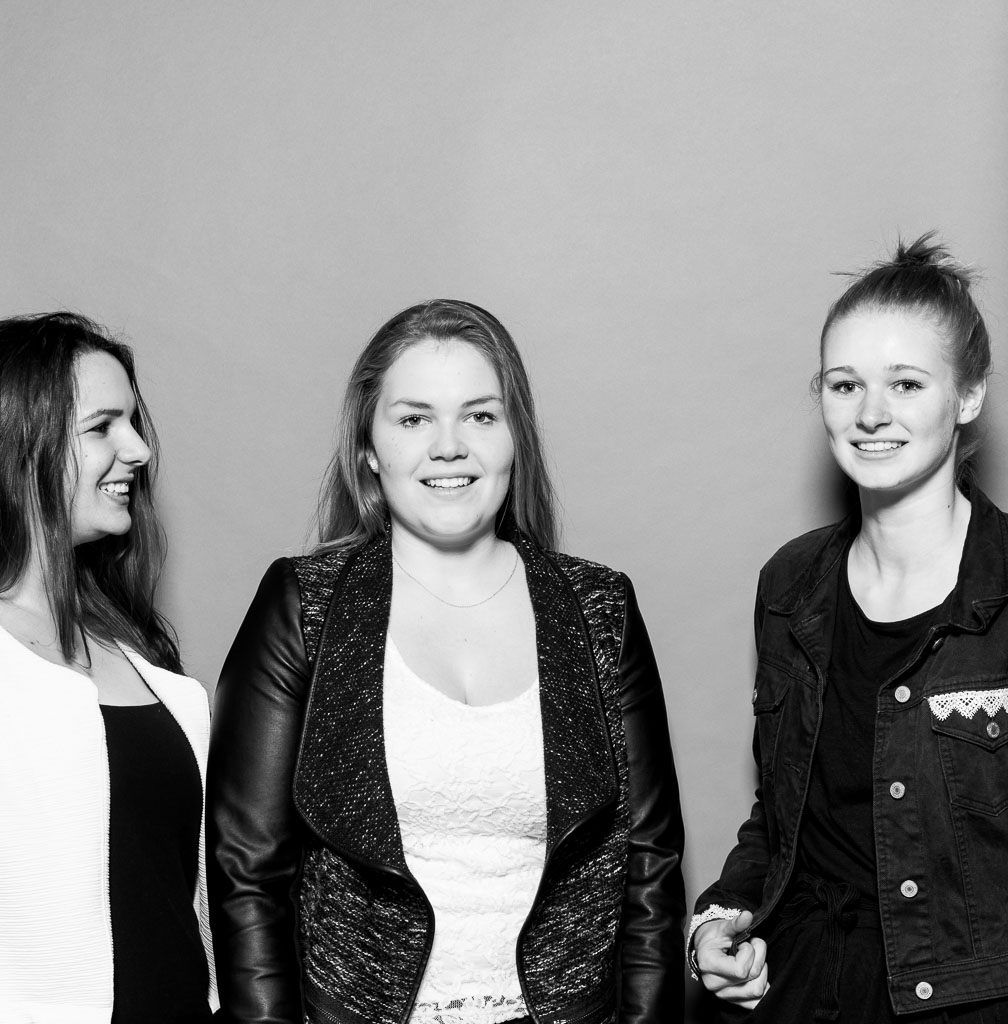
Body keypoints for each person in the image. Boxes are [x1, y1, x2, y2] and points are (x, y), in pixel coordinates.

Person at [207, 299, 686, 1024]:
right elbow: (247, 871)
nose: (449, 446)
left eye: (480, 416)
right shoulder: (305, 605)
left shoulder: (600, 608)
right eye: (414, 419)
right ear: (369, 449)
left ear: (515, 439)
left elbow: (650, 864)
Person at [690, 234, 1008, 1022]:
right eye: (845, 384)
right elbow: (784, 813)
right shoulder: (791, 584)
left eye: (906, 383)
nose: (870, 414)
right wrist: (719, 920)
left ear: (969, 395)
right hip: (801, 987)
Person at [0, 312, 217, 1023]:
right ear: (18, 443)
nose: (138, 449)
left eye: (133, 422)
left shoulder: (148, 661)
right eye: (102, 427)